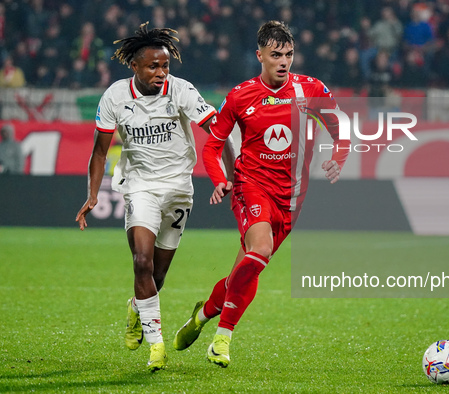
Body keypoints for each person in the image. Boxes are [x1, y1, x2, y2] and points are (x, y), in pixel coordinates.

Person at [173, 20, 349, 368]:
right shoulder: (241, 96)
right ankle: (222, 339)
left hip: (292, 199)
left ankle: (204, 314)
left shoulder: (310, 89)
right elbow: (213, 146)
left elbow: (338, 126)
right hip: (250, 187)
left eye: (289, 55)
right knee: (260, 251)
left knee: (249, 267)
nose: (283, 62)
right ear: (260, 56)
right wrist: (220, 178)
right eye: (276, 55)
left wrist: (338, 156)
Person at [75, 22, 232, 372]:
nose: (161, 73)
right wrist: (92, 195)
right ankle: (156, 346)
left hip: (179, 188)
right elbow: (100, 152)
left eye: (165, 66)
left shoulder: (181, 90)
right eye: (153, 66)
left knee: (156, 277)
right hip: (140, 186)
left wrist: (232, 178)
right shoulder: (115, 96)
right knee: (141, 263)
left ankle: (136, 307)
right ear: (135, 66)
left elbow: (219, 131)